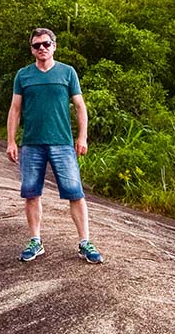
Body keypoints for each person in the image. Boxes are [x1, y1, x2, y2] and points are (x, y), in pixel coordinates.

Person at [6, 27, 103, 264]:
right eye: (37, 45)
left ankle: (84, 243)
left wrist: (83, 137)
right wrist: (11, 141)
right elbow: (15, 109)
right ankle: (35, 241)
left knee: (75, 193)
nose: (42, 48)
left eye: (46, 44)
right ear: (32, 50)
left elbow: (80, 106)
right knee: (31, 193)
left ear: (54, 46)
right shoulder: (23, 75)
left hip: (62, 143)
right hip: (31, 144)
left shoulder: (67, 73)